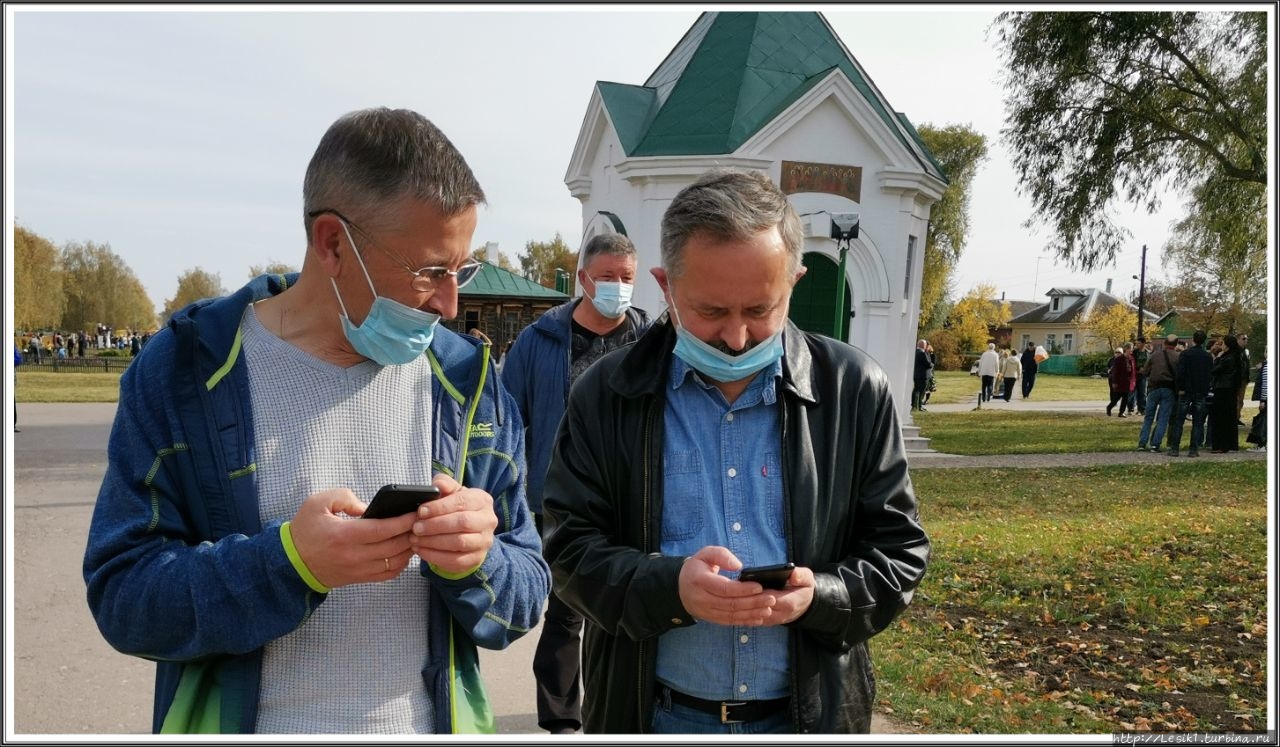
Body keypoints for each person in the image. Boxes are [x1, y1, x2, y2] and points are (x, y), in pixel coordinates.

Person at [82, 108, 550, 735]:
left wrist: (481, 561)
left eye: (459, 270)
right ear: (332, 243)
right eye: (429, 271)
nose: (450, 303)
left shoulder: (467, 383)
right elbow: (124, 599)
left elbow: (525, 597)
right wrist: (288, 564)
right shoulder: (185, 372)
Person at [540, 169, 931, 734]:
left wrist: (818, 597)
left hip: (807, 719)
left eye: (758, 310)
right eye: (712, 312)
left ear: (794, 282)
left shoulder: (853, 389)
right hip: (656, 716)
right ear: (665, 286)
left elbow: (900, 553)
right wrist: (669, 587)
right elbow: (568, 549)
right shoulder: (606, 394)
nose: (737, 337)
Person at [500, 232, 652, 735]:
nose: (617, 287)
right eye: (607, 277)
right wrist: (507, 494)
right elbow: (504, 419)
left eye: (626, 278)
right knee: (566, 613)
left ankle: (621, 712)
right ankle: (562, 719)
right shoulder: (540, 341)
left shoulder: (650, 341)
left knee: (628, 610)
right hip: (561, 500)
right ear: (584, 278)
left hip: (635, 498)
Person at [1167, 330, 1213, 457]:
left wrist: (1180, 387)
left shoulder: (1185, 354)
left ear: (1193, 339)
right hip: (1200, 390)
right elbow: (1209, 374)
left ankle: (1175, 447)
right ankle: (1194, 449)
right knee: (1198, 422)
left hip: (1186, 389)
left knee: (1179, 420)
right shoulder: (1207, 356)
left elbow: (1180, 372)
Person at [1136, 334, 1180, 452]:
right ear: (1176, 345)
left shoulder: (1154, 355)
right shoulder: (1178, 357)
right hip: (1169, 389)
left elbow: (1145, 372)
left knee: (1148, 417)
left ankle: (1142, 443)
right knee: (1163, 418)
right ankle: (1155, 445)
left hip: (1153, 388)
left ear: (1164, 343)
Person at [1208, 334, 1248, 453]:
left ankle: (1221, 445)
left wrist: (1217, 358)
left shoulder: (1227, 358)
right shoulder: (1237, 356)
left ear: (1228, 345)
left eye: (1224, 344)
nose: (1222, 346)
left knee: (1220, 417)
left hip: (1222, 389)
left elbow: (1214, 370)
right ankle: (1231, 444)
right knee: (1230, 417)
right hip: (1231, 389)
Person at [1246, 353, 1267, 451]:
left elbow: (1266, 385)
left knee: (1262, 422)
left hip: (1266, 399)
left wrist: (1263, 400)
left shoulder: (1267, 366)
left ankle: (1261, 444)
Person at [1105, 347, 1132, 418]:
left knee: (1125, 398)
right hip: (1119, 382)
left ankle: (1121, 412)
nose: (1130, 353)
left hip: (1126, 382)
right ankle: (1109, 407)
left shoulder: (1130, 360)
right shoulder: (1118, 359)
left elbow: (1131, 370)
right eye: (1129, 351)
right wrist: (1114, 382)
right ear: (1125, 351)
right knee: (1116, 398)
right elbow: (1115, 372)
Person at [912, 339, 932, 411]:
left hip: (916, 375)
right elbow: (928, 363)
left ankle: (914, 405)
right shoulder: (922, 353)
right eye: (926, 345)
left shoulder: (915, 352)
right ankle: (920, 406)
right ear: (924, 345)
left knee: (916, 390)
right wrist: (931, 364)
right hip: (923, 376)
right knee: (921, 392)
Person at [1131, 337, 1149, 415]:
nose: (1137, 345)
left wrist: (1145, 369)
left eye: (1138, 343)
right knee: (1132, 392)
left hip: (1143, 376)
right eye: (1136, 343)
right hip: (1134, 375)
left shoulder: (1148, 353)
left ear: (1143, 344)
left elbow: (1150, 363)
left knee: (1142, 392)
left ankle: (1142, 409)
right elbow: (1131, 362)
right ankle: (1130, 408)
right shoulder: (1134, 352)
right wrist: (1138, 369)